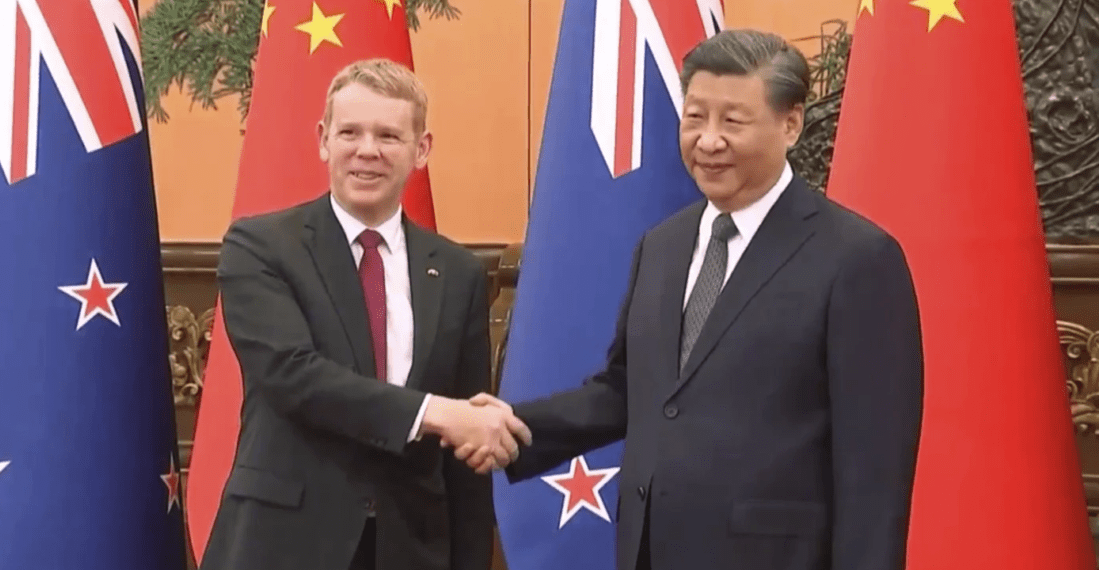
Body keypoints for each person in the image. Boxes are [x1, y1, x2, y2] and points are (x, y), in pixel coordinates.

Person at [461, 29, 924, 570]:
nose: (707, 141)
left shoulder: (857, 257)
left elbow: (874, 470)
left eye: (732, 121)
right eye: (695, 117)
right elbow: (628, 392)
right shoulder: (663, 245)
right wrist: (513, 427)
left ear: (790, 123)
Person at [199, 58, 531, 570]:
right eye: (350, 132)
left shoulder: (459, 273)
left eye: (389, 136)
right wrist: (435, 413)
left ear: (421, 150)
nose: (367, 151)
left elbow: (464, 465)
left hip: (409, 547)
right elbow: (292, 374)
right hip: (284, 544)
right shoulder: (261, 247)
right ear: (323, 139)